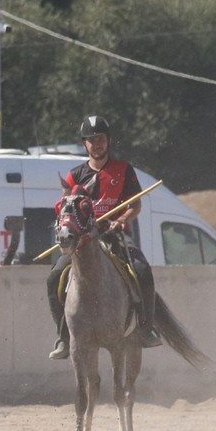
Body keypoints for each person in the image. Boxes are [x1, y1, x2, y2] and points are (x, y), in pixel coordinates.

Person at [46, 115, 162, 359]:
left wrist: (122, 219)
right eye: (91, 140)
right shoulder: (74, 175)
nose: (97, 144)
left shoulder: (123, 169)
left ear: (108, 141)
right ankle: (64, 337)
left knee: (142, 270)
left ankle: (146, 328)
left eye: (101, 139)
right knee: (54, 277)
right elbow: (64, 206)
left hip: (113, 235)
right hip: (83, 240)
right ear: (84, 144)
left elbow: (136, 205)